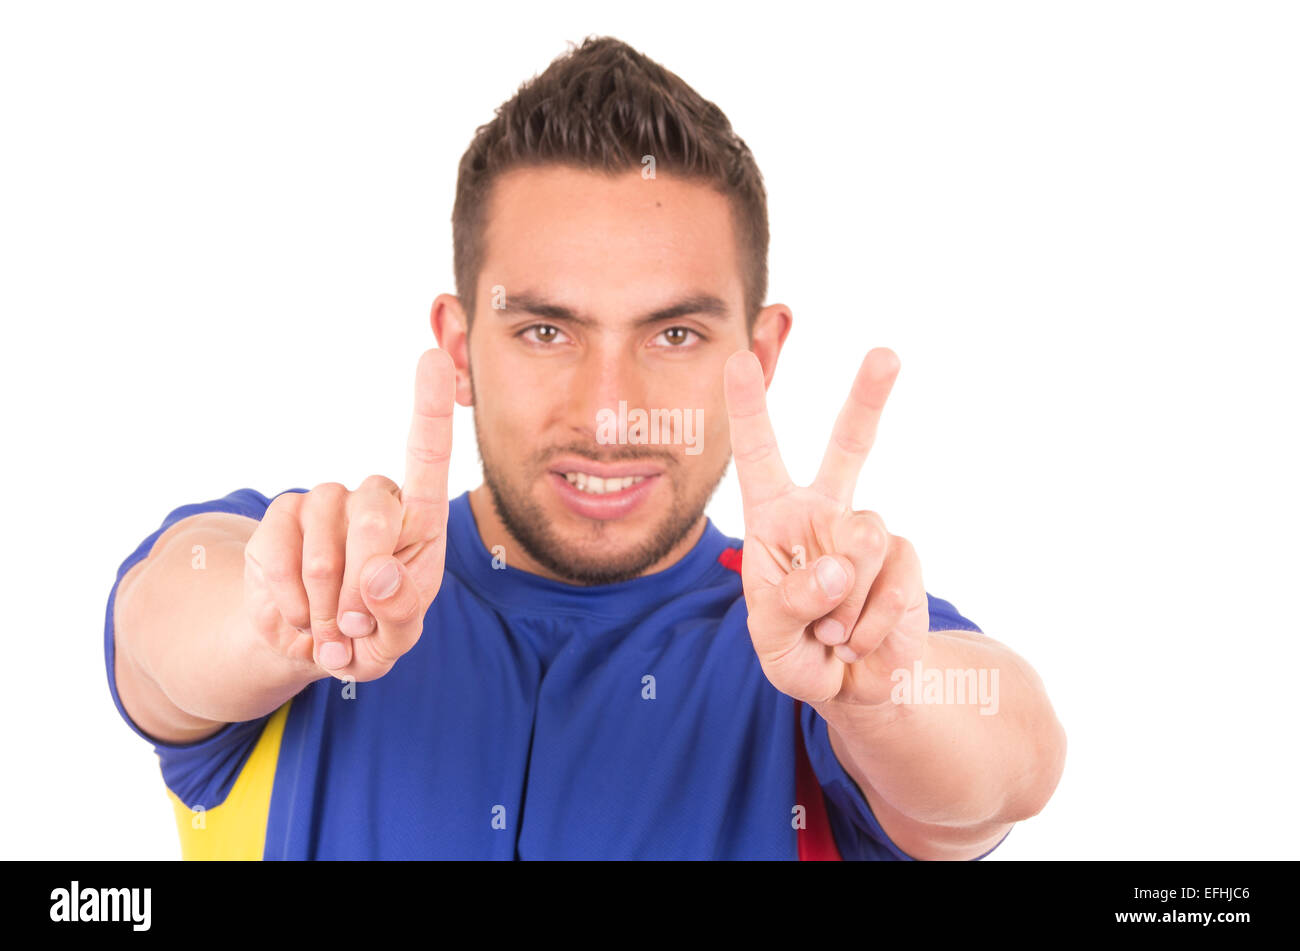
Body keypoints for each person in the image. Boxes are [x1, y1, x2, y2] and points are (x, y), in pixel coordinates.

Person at [106, 36, 1066, 860]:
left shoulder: (825, 636)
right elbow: (159, 630)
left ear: (761, 355)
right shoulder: (322, 582)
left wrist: (882, 702)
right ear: (458, 348)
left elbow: (1014, 757)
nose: (611, 413)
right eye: (547, 331)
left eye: (675, 335)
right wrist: (278, 609)